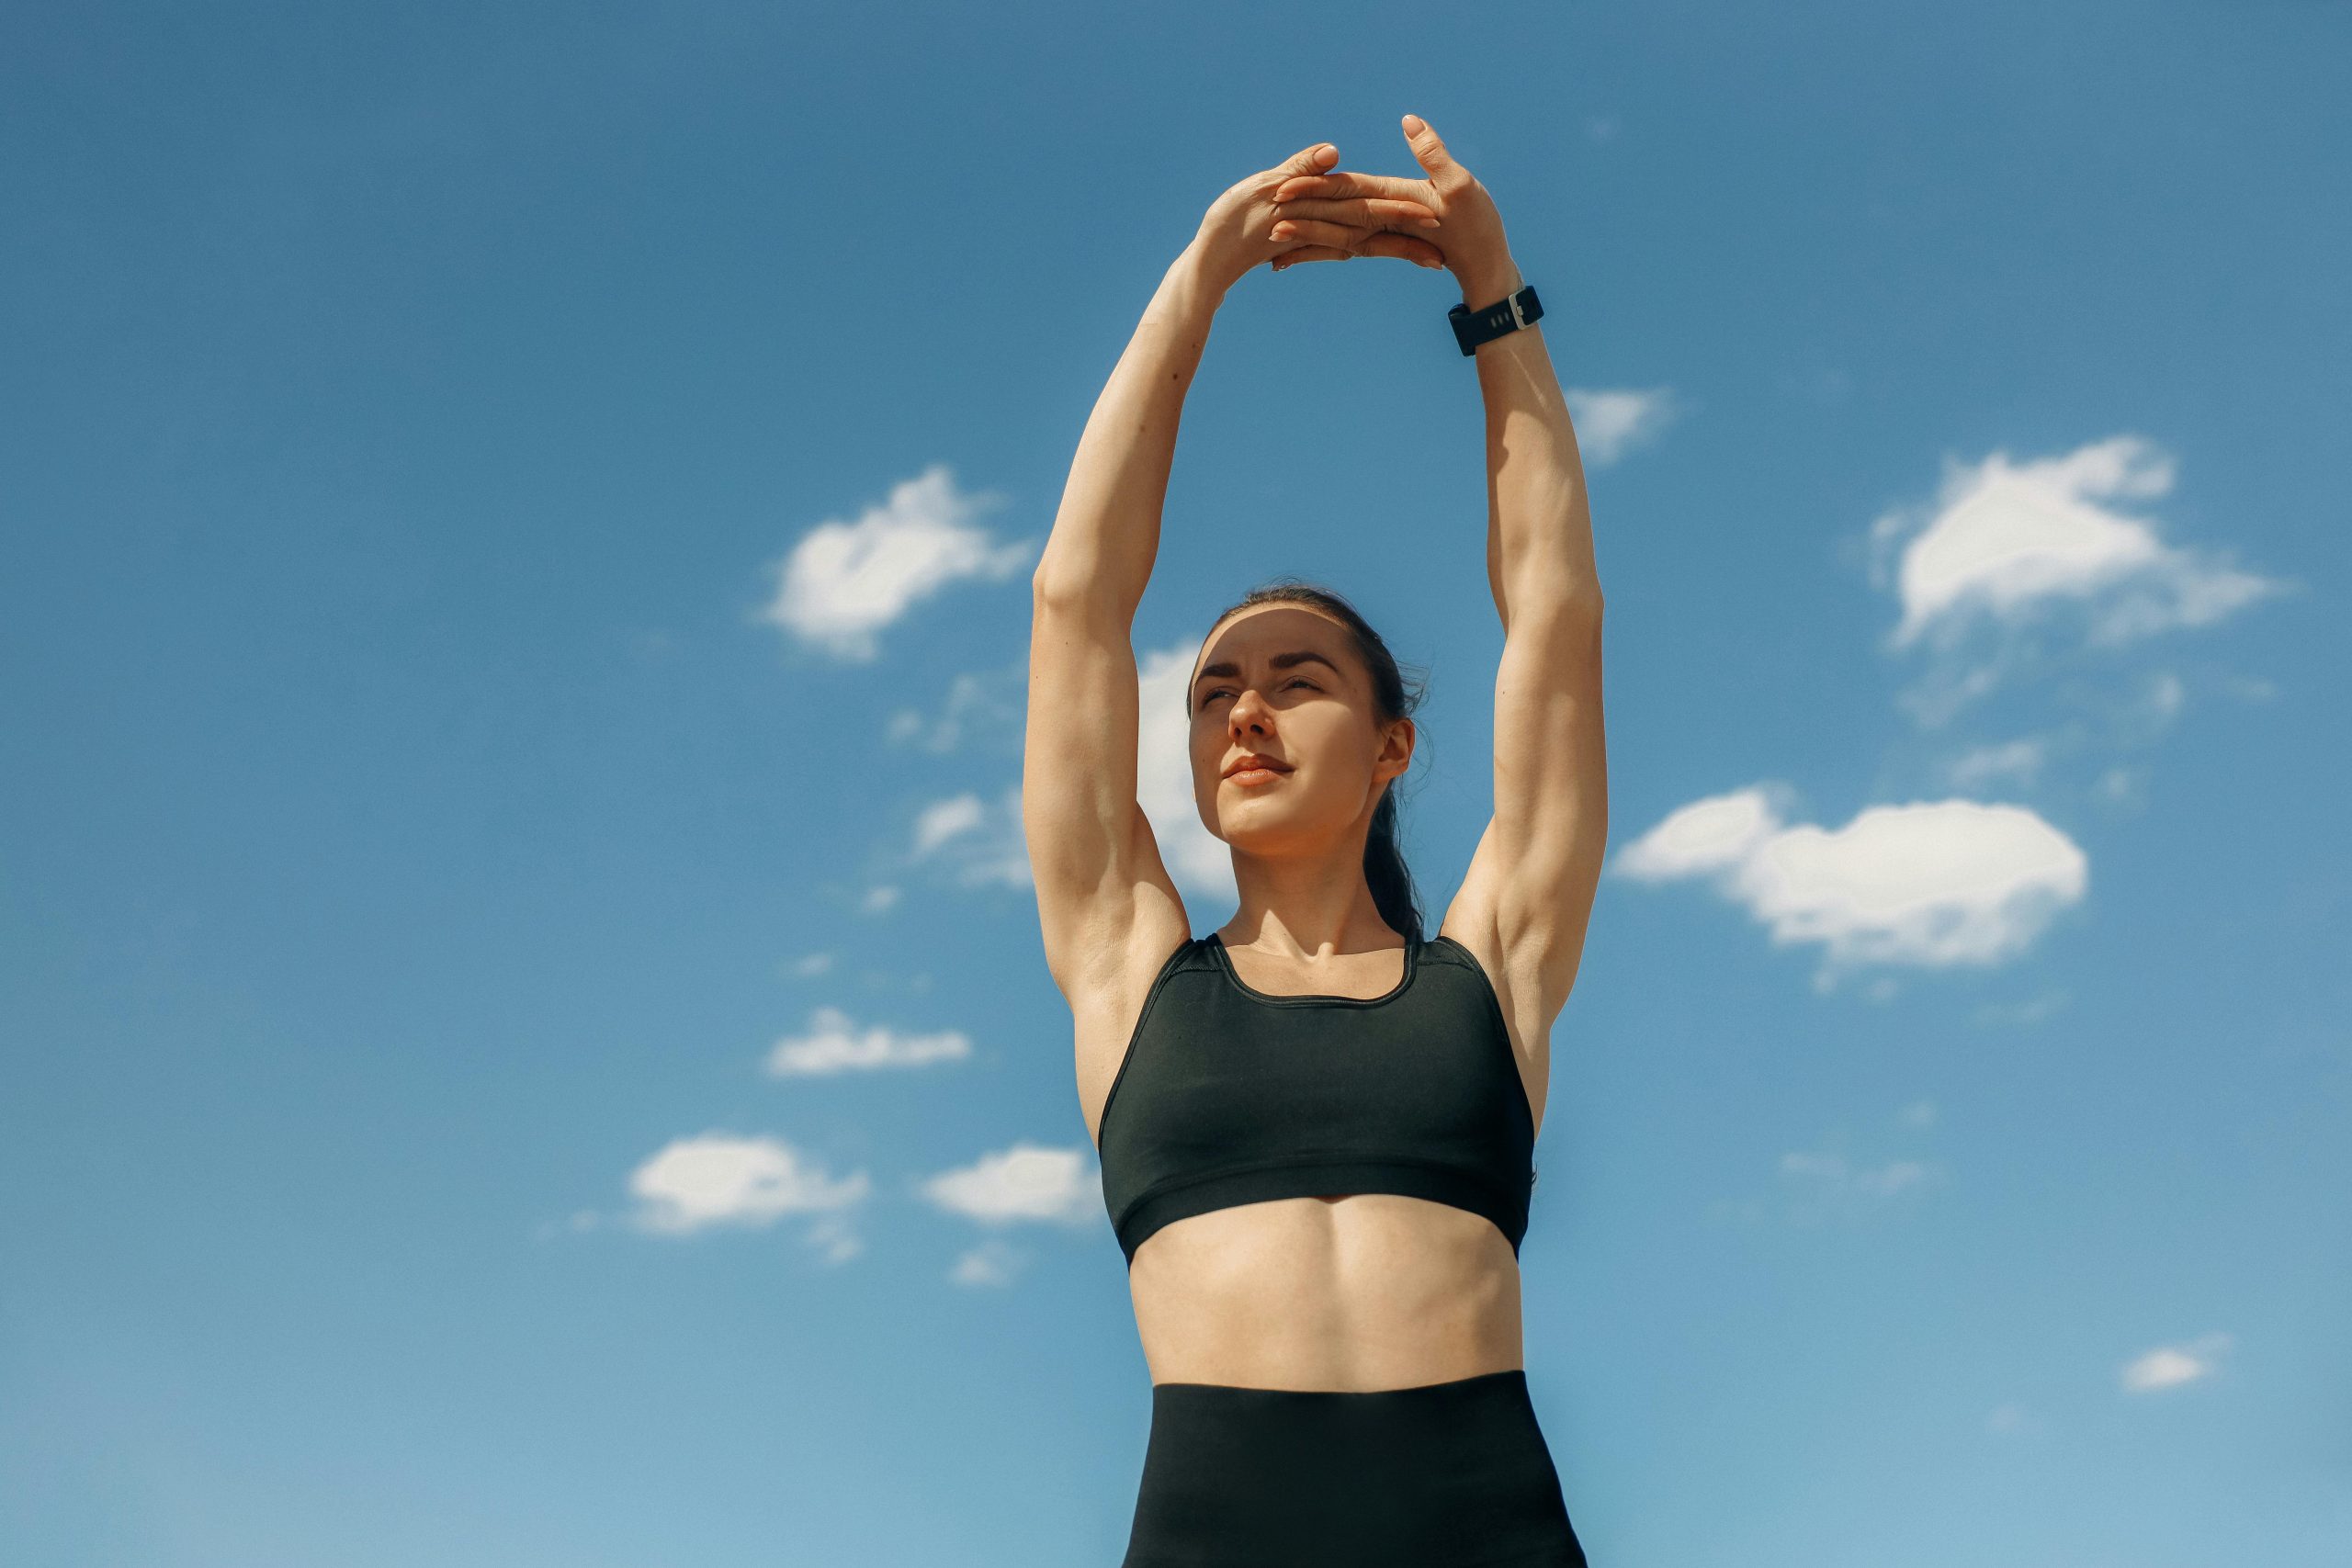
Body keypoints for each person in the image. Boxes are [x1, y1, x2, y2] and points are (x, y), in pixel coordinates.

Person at [1023, 113, 1608, 1568]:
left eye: (1298, 682)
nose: (1243, 714)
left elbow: (1555, 613)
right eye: (1216, 687)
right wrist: (1195, 287)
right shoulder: (1129, 964)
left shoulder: (1492, 970)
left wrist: (1495, 296)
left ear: (1394, 745)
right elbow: (1074, 603)